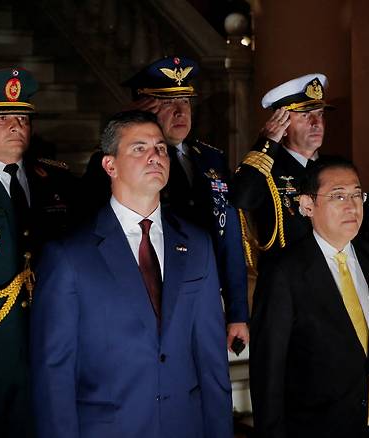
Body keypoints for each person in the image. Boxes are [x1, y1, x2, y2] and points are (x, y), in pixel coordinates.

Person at [30, 110, 233, 438]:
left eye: (161, 148)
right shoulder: (68, 256)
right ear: (110, 165)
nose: (155, 155)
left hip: (186, 425)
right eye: (139, 148)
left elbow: (212, 361)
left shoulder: (197, 245)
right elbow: (54, 376)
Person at [81, 56, 249, 350]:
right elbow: (93, 200)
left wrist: (237, 312)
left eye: (185, 101)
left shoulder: (210, 158)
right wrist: (123, 129)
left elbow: (230, 239)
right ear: (144, 110)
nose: (180, 111)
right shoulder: (129, 162)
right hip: (152, 295)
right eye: (167, 103)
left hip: (207, 294)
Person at [249, 157, 369, 438]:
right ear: (308, 205)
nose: (352, 205)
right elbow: (268, 375)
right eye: (338, 196)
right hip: (315, 427)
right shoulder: (284, 273)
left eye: (357, 195)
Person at [0, 67, 75, 437]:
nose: (16, 125)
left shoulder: (57, 180)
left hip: (48, 337)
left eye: (22, 117)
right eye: (2, 118)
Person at [231, 73, 332, 270]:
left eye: (320, 114)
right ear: (283, 126)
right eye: (305, 115)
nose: (316, 123)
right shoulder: (266, 170)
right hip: (283, 281)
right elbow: (241, 198)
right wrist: (267, 143)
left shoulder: (333, 168)